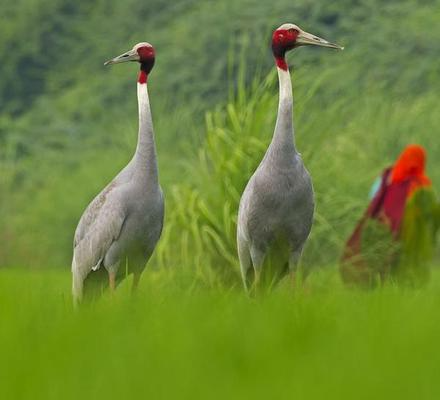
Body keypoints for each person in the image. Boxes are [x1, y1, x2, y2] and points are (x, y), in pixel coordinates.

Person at [341, 144, 439, 288]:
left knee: (380, 262)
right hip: (406, 235)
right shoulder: (422, 184)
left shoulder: (388, 177)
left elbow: (374, 197)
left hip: (384, 228)